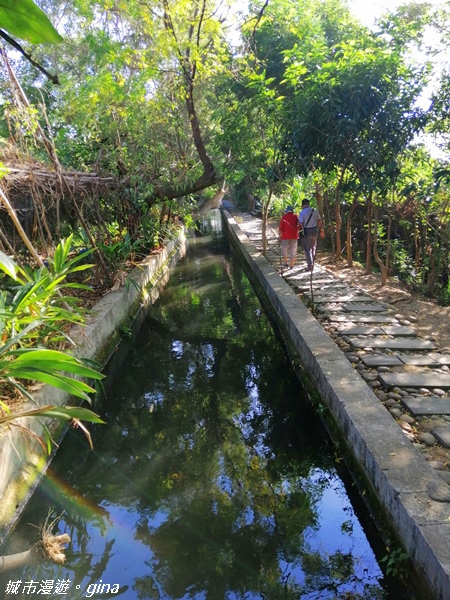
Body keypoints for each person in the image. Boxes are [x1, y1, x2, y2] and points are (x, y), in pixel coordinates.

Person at [299, 198, 325, 270]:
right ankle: (313, 262)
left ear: (302, 205)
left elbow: (301, 224)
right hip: (314, 230)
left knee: (307, 248)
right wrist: (322, 231)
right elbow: (319, 221)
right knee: (313, 247)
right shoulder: (314, 211)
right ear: (308, 204)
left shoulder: (302, 212)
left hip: (307, 231)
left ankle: (310, 265)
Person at [279, 205, 299, 269]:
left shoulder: (284, 217)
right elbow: (299, 226)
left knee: (284, 249)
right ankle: (291, 264)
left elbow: (280, 228)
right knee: (293, 250)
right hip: (294, 236)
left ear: (287, 211)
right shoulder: (296, 217)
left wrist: (280, 235)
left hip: (285, 236)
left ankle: (285, 263)